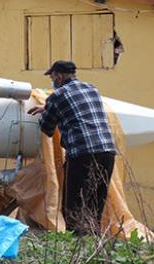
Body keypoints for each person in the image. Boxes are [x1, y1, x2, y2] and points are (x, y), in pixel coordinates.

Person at [27, 60, 117, 234]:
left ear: (59, 76)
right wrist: (48, 107)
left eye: (52, 77)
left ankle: (75, 247)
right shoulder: (92, 89)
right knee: (95, 202)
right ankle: (93, 244)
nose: (52, 81)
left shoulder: (57, 95)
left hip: (82, 153)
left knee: (74, 204)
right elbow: (77, 105)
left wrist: (47, 111)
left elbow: (47, 128)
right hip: (107, 151)